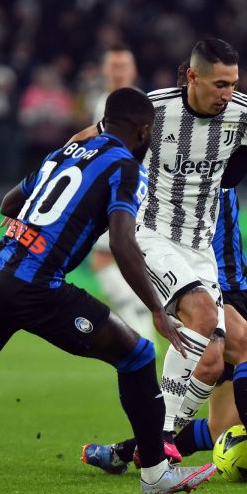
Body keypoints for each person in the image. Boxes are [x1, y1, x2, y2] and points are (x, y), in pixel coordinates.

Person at [0, 88, 217, 494]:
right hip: (35, 285)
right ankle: (155, 474)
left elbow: (10, 203)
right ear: (144, 130)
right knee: (137, 356)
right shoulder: (123, 166)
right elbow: (122, 243)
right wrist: (156, 308)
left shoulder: (65, 151)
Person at [75, 38, 247, 487]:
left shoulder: (246, 113)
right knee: (208, 322)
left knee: (228, 354)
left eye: (233, 83)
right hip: (151, 236)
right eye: (219, 84)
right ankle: (172, 452)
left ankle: (160, 445)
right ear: (192, 77)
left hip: (199, 252)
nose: (227, 93)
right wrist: (40, 189)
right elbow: (87, 140)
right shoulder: (154, 110)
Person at [88, 45, 156, 341]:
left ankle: (141, 324)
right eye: (113, 66)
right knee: (113, 257)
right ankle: (142, 322)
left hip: (131, 190)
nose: (117, 71)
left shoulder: (145, 104)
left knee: (110, 256)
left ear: (133, 70)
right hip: (115, 189)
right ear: (104, 70)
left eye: (122, 66)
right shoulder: (100, 101)